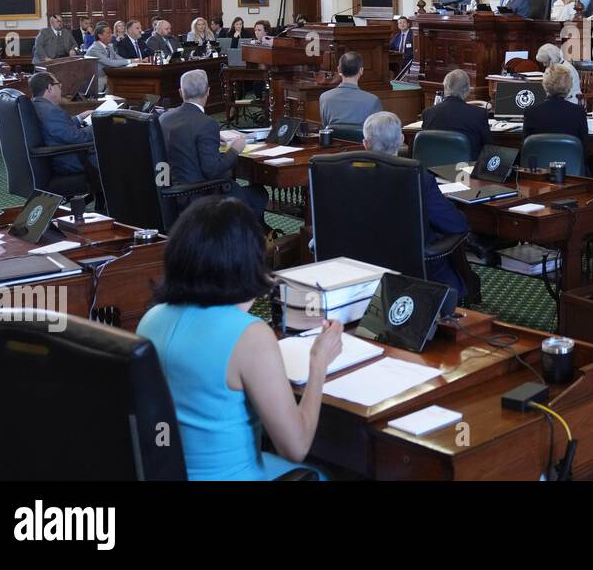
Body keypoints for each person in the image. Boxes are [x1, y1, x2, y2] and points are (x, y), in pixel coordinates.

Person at [137, 197, 342, 480]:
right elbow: (295, 448)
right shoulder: (250, 335)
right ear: (244, 263)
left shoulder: (151, 318)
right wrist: (319, 363)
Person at [361, 112, 470, 298]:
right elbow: (456, 225)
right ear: (402, 139)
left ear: (366, 143)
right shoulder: (419, 178)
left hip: (360, 265)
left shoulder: (346, 176)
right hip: (414, 272)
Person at [159, 69, 269, 220]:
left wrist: (211, 138)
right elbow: (212, 170)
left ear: (180, 92)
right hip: (200, 197)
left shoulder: (164, 118)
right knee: (258, 193)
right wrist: (235, 150)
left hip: (171, 196)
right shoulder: (206, 123)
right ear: (208, 92)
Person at [28, 71, 99, 186]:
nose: (61, 89)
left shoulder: (38, 106)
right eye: (59, 85)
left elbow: (59, 129)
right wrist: (99, 124)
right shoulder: (50, 111)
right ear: (50, 88)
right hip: (72, 160)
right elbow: (79, 138)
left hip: (61, 156)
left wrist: (80, 117)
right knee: (122, 153)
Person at [421, 69, 490, 160]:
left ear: (445, 88)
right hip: (467, 170)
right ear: (467, 89)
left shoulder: (428, 113)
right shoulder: (479, 114)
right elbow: (489, 147)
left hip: (435, 170)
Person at [522, 65, 589, 153]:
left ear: (545, 84)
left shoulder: (530, 112)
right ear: (569, 86)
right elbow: (584, 149)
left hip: (539, 165)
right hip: (571, 164)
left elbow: (526, 148)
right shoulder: (578, 111)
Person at [319, 51, 381, 128]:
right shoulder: (372, 100)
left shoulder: (324, 98)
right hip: (360, 140)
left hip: (334, 140)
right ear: (361, 71)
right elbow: (376, 133)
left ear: (339, 70)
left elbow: (325, 128)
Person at [85, 22, 133, 93]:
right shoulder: (94, 49)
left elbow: (119, 58)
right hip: (97, 81)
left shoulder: (109, 47)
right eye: (108, 33)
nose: (111, 35)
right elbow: (110, 63)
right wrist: (130, 61)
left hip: (108, 77)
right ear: (100, 35)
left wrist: (135, 61)